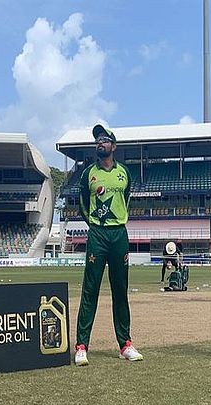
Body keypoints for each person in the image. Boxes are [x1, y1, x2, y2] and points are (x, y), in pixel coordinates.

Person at [74, 123, 143, 366]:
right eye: (97, 140)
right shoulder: (88, 174)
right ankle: (81, 346)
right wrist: (95, 225)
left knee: (120, 290)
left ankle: (125, 344)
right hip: (98, 234)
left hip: (119, 235)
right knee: (90, 289)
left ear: (113, 146)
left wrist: (116, 222)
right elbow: (83, 203)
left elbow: (126, 198)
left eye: (104, 140)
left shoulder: (124, 172)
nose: (99, 143)